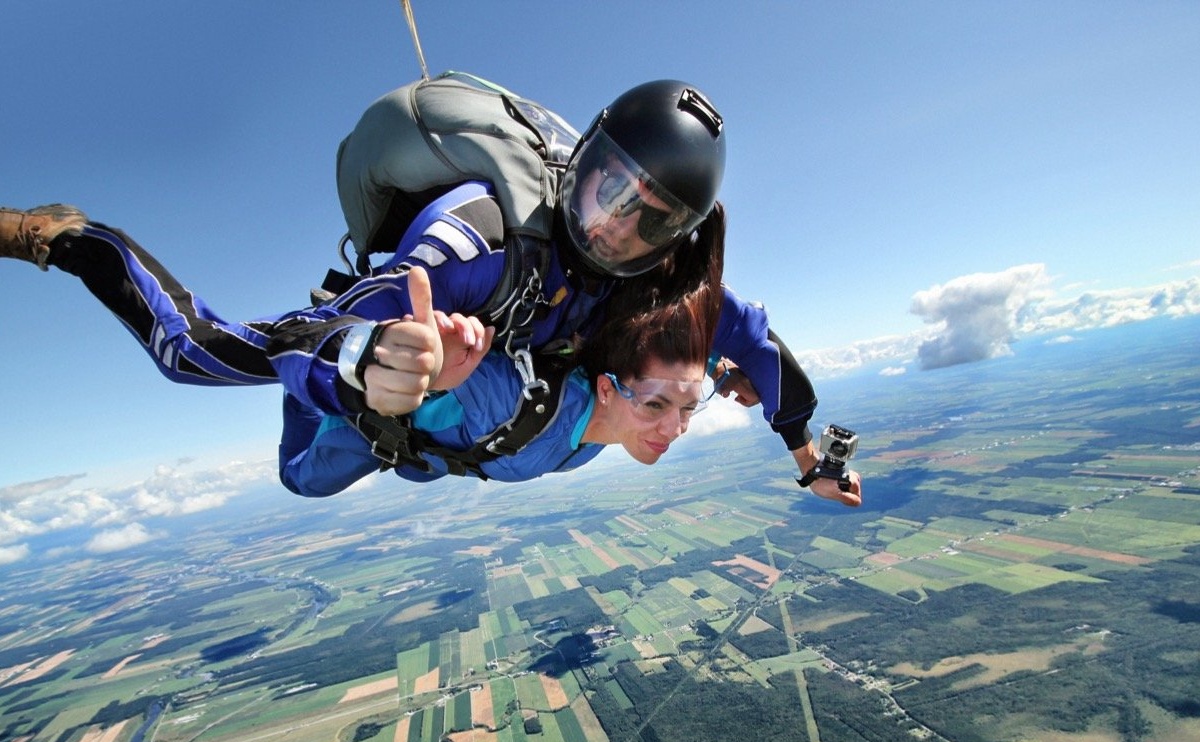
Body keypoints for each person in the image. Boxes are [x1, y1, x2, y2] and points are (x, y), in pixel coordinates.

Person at [0, 79, 861, 506]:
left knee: (318, 476)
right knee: (197, 362)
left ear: (676, 239)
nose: (608, 227)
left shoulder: (668, 282)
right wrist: (373, 360)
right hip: (400, 368)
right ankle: (69, 238)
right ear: (584, 156)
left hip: (482, 394)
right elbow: (348, 316)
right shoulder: (480, 233)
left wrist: (806, 460)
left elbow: (764, 349)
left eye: (646, 219)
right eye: (606, 185)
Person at [278, 266, 716, 496]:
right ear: (605, 388)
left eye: (690, 407)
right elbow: (456, 365)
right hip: (370, 427)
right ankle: (321, 360)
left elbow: (671, 372)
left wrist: (733, 367)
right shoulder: (513, 396)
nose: (675, 430)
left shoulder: (616, 422)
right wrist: (425, 359)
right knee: (301, 480)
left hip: (437, 456)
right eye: (656, 406)